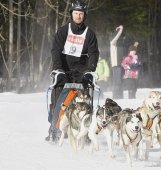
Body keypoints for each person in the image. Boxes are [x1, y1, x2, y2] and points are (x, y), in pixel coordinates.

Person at [45, 0, 99, 142]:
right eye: (76, 13)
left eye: (81, 13)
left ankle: (84, 133)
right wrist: (58, 69)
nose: (78, 16)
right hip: (64, 71)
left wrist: (90, 71)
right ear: (71, 14)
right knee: (58, 99)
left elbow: (94, 54)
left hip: (82, 73)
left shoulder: (90, 34)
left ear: (84, 15)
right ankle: (55, 129)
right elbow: (55, 50)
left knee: (84, 101)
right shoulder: (63, 31)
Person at [110, 25, 124, 99]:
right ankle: (117, 96)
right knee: (117, 82)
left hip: (117, 65)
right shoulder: (112, 43)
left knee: (117, 81)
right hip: (116, 66)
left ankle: (117, 96)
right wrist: (121, 30)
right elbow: (117, 37)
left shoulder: (115, 46)